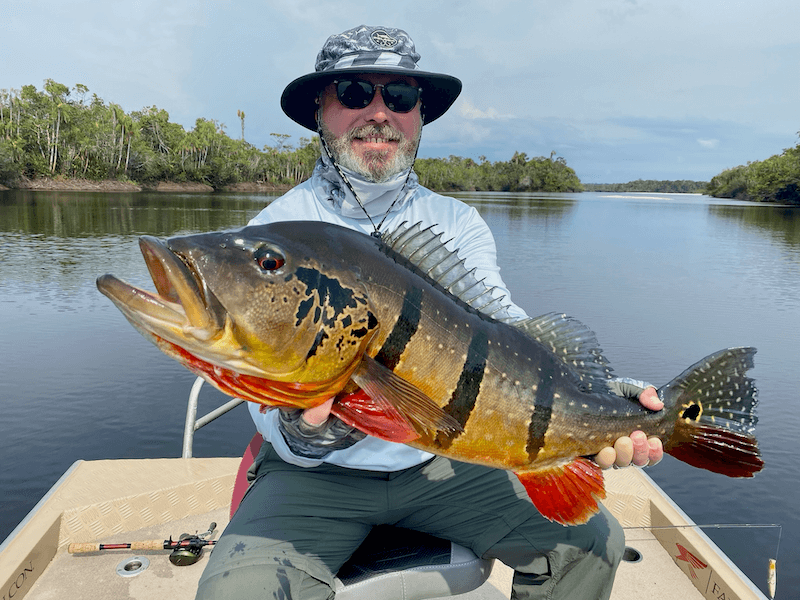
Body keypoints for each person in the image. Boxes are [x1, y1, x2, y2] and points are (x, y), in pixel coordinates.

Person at [196, 25, 663, 600]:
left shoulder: (457, 224)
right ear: (321, 109)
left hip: (444, 466)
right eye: (352, 91)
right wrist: (303, 427)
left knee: (592, 546)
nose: (378, 113)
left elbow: (504, 330)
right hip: (312, 478)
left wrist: (603, 397)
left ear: (419, 116)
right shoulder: (275, 235)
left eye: (400, 97)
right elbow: (261, 390)